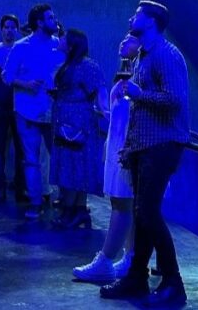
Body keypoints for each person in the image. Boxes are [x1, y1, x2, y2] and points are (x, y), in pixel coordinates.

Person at [100, 1, 190, 307]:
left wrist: (140, 94)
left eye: (137, 14)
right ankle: (136, 278)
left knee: (148, 213)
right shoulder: (143, 55)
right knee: (142, 214)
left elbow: (175, 100)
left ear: (152, 21)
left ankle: (173, 282)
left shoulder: (166, 54)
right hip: (144, 146)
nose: (131, 16)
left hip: (162, 145)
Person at [74, 33, 141, 282]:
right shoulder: (127, 70)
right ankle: (130, 256)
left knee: (122, 204)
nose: (123, 40)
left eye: (130, 38)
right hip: (118, 145)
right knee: (127, 205)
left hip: (128, 147)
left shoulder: (142, 73)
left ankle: (105, 260)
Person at [3, 4, 62, 219]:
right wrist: (26, 83)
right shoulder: (21, 47)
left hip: (54, 110)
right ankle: (35, 202)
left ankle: (63, 201)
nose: (55, 20)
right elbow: (6, 76)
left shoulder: (59, 45)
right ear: (39, 22)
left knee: (58, 157)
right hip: (28, 111)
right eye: (50, 17)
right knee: (31, 159)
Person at [50, 28, 106, 229]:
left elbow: (99, 90)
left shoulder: (87, 65)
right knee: (71, 165)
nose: (61, 39)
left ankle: (72, 211)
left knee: (75, 166)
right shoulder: (68, 64)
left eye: (64, 38)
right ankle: (79, 211)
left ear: (73, 44)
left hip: (78, 122)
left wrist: (106, 112)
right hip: (66, 118)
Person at [0, 14, 27, 202]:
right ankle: (0, 186)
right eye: (6, 27)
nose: (9, 31)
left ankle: (20, 188)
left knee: (21, 149)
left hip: (19, 105)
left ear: (16, 30)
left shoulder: (22, 49)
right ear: (1, 29)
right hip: (0, 105)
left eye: (12, 27)